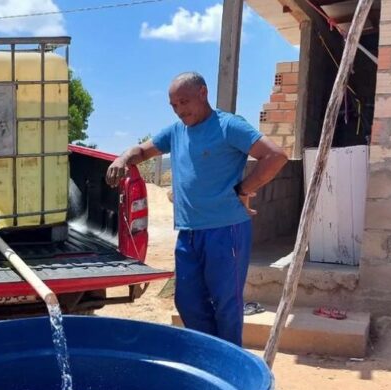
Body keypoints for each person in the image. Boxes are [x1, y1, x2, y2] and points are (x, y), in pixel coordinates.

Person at [106, 72, 287, 346]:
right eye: (174, 105)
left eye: (184, 101)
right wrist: (122, 158)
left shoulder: (228, 126)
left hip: (226, 230)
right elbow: (142, 151)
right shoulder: (176, 131)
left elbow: (275, 156)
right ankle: (209, 353)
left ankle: (228, 366)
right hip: (188, 232)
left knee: (226, 303)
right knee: (187, 300)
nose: (180, 110)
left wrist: (244, 189)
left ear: (203, 93)